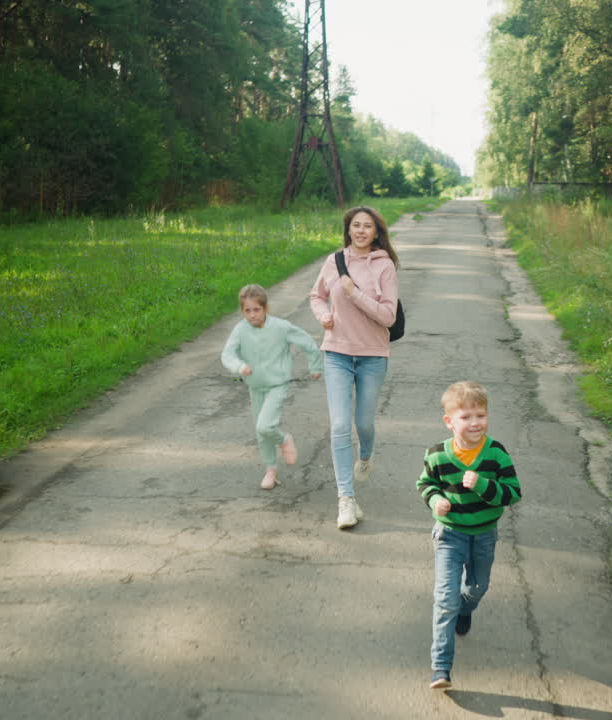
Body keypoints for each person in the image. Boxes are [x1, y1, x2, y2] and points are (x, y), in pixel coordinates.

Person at [417, 381, 521, 690]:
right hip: (450, 535)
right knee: (445, 599)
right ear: (449, 421)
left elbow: (513, 494)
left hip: (484, 534)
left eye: (481, 415)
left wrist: (482, 485)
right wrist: (436, 501)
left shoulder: (496, 454)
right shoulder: (437, 454)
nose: (475, 422)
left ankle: (466, 608)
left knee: (477, 587)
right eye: (466, 416)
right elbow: (425, 484)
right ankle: (441, 668)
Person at [309, 206, 400, 529]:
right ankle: (346, 500)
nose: (361, 231)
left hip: (373, 355)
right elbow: (316, 296)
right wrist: (323, 315)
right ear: (348, 230)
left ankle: (366, 456)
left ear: (377, 233)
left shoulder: (385, 265)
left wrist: (353, 293)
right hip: (336, 352)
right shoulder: (334, 261)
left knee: (363, 423)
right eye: (356, 226)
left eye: (368, 226)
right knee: (338, 427)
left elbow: (388, 316)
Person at [221, 284, 323, 490]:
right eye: (247, 310)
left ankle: (284, 440)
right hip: (255, 387)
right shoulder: (241, 330)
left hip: (277, 385)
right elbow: (227, 354)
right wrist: (239, 366)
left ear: (265, 308)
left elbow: (307, 343)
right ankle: (270, 470)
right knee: (261, 432)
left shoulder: (281, 327)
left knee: (265, 426)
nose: (252, 315)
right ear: (242, 311)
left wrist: (315, 365)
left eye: (256, 310)